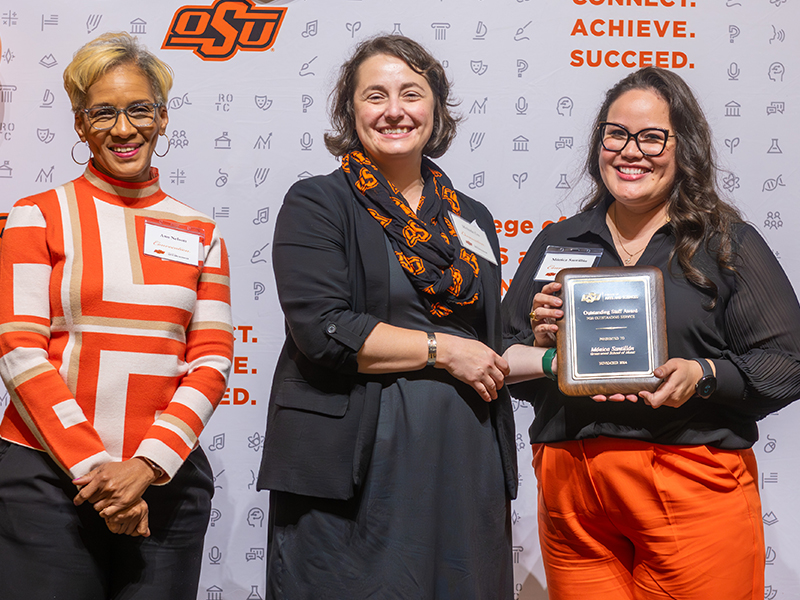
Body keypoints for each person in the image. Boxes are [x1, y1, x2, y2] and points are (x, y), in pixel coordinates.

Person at [502, 67, 800, 600]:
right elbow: (502, 355)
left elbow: (787, 361)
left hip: (689, 477)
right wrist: (545, 347)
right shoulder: (559, 242)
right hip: (572, 490)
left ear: (685, 148)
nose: (630, 151)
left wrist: (703, 375)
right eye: (616, 134)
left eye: (652, 137)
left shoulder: (725, 243)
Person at [257, 35, 517, 599]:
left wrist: (558, 348)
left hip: (464, 458)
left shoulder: (472, 218)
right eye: (375, 95)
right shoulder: (318, 203)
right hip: (357, 469)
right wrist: (443, 350)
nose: (395, 110)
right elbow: (324, 328)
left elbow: (490, 342)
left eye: (412, 94)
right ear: (350, 111)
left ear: (436, 108)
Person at [0, 32, 233, 600]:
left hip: (166, 482)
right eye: (103, 113)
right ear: (80, 126)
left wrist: (146, 467)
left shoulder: (200, 231)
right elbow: (18, 350)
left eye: (139, 110)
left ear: (163, 117)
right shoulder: (36, 216)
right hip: (46, 480)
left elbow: (211, 360)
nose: (124, 129)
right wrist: (100, 477)